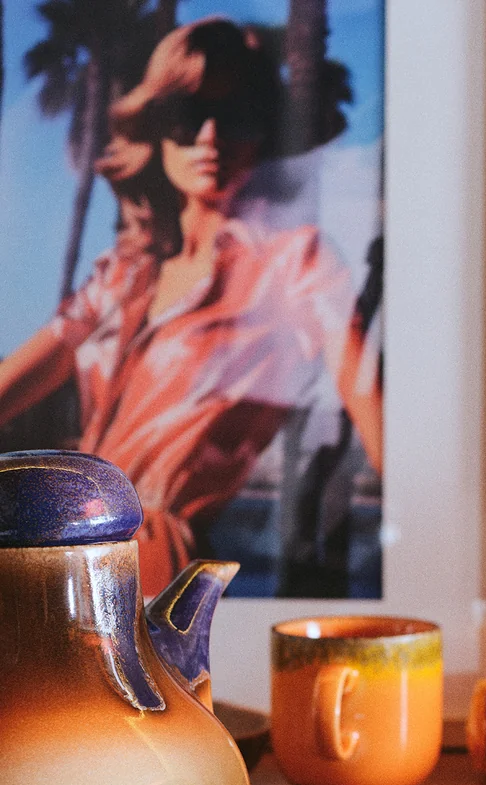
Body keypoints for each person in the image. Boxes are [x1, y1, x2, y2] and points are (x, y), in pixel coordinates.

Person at [0, 19, 382, 595]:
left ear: (265, 133)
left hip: (153, 564)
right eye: (187, 116)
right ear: (155, 128)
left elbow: (372, 408)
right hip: (69, 557)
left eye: (239, 116)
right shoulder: (125, 274)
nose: (210, 136)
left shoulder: (294, 264)